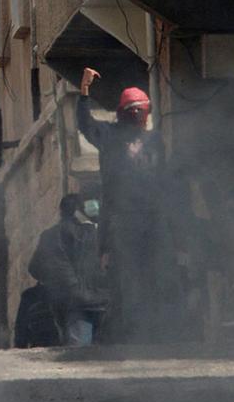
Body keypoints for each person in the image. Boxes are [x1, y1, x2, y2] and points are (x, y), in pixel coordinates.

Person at [77, 67, 181, 343]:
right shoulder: (120, 137)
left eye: (140, 110)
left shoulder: (145, 140)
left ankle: (146, 334)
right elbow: (85, 125)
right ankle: (134, 335)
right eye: (135, 110)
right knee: (134, 279)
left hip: (140, 221)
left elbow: (165, 183)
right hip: (130, 221)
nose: (138, 114)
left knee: (145, 277)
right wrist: (84, 92)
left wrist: (85, 91)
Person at [28, 194, 109, 347]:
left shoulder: (50, 235)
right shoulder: (99, 235)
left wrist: (56, 284)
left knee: (78, 350)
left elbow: (34, 269)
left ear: (61, 211)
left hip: (68, 300)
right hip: (102, 298)